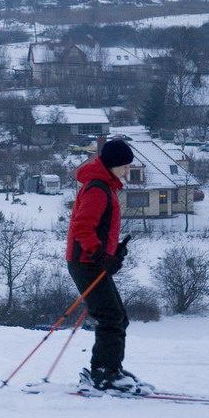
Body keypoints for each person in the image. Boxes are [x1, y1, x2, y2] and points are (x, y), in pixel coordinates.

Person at [66, 138, 151, 395]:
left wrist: (113, 252)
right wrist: (99, 254)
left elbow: (99, 228)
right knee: (111, 318)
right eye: (124, 167)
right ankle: (104, 374)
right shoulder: (97, 189)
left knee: (117, 317)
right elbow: (82, 227)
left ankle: (109, 368)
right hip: (85, 262)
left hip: (90, 261)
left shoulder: (104, 187)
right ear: (113, 165)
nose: (127, 172)